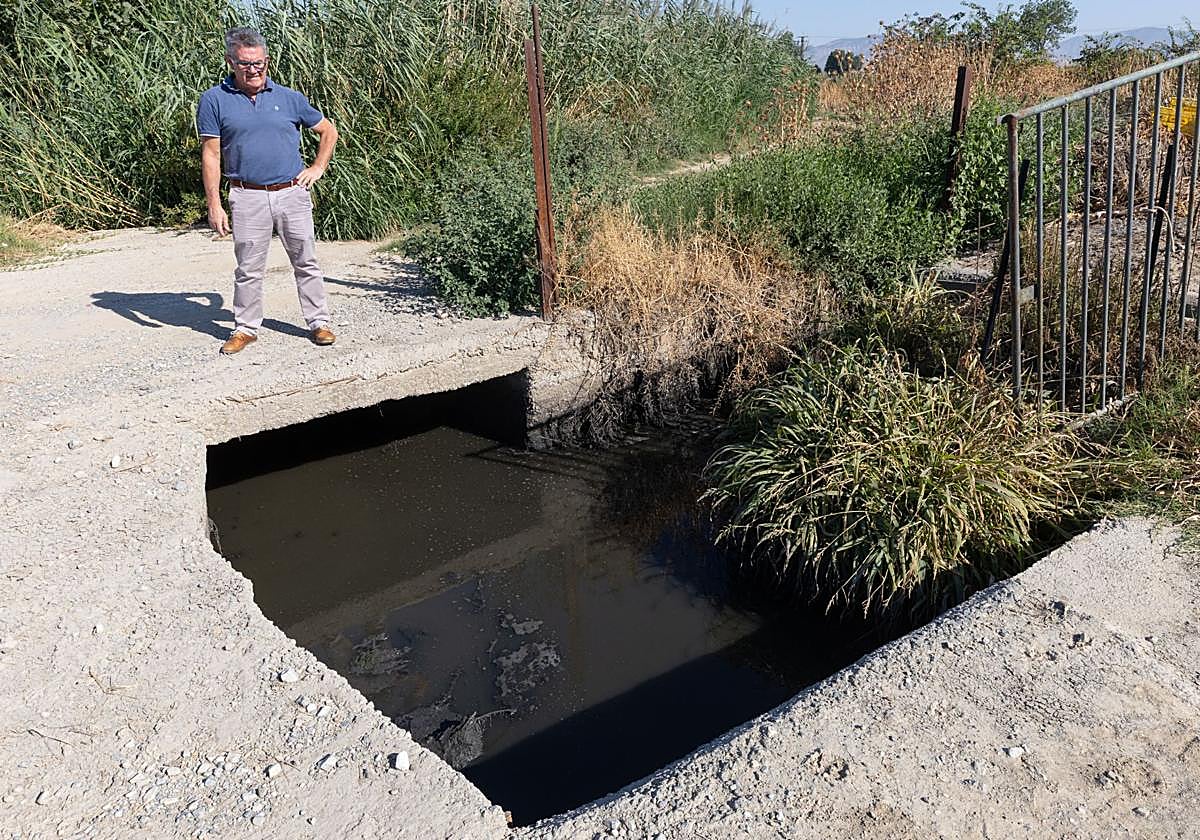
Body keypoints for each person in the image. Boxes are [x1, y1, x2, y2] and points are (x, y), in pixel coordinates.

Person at [196, 27, 340, 355]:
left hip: (292, 192)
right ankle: (245, 329)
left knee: (306, 260)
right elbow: (211, 154)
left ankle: (318, 322)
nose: (254, 70)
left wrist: (317, 168)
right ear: (230, 62)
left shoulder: (289, 98)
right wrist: (214, 204)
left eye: (259, 63)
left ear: (267, 61)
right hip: (246, 195)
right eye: (246, 64)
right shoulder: (214, 100)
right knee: (248, 267)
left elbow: (327, 130)